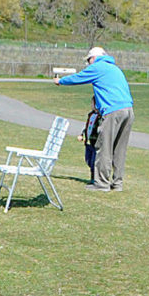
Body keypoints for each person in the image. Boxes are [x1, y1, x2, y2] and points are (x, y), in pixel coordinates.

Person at [54, 47, 134, 192]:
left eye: (89, 60)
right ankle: (117, 183)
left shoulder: (98, 67)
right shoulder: (114, 68)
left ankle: (101, 183)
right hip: (128, 110)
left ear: (94, 58)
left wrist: (61, 81)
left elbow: (78, 78)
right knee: (119, 149)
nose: (88, 64)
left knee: (104, 147)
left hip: (112, 111)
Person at [77, 96, 101, 183]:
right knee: (88, 159)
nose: (92, 105)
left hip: (96, 143)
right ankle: (93, 177)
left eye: (93, 104)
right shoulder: (91, 115)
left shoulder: (101, 117)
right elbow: (87, 127)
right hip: (88, 142)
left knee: (94, 162)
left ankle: (94, 179)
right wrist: (82, 134)